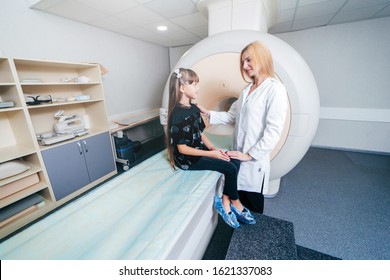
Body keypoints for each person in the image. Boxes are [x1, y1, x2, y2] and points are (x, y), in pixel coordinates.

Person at [198, 41, 288, 213]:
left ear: (261, 58)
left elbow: (273, 131)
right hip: (238, 155)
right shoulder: (247, 89)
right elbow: (232, 116)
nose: (245, 66)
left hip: (254, 161)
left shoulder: (274, 89)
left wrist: (249, 155)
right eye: (242, 62)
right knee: (237, 203)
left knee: (252, 209)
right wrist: (208, 112)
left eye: (249, 60)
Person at [166, 68, 255, 228]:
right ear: (182, 88)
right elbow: (182, 149)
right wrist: (212, 155)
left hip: (199, 150)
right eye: (194, 84)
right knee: (230, 168)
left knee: (235, 160)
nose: (198, 88)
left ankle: (226, 200)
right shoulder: (176, 115)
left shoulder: (194, 108)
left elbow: (200, 134)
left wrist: (214, 149)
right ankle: (234, 203)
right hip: (188, 159)